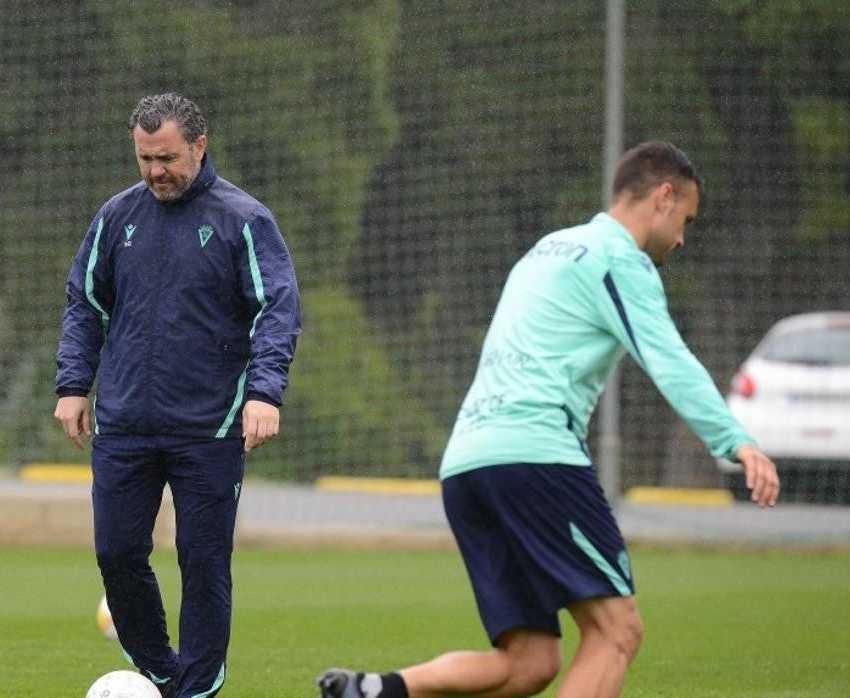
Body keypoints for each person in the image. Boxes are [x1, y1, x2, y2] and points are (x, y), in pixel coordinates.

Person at [317, 141, 780, 698]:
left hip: (467, 463)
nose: (682, 238)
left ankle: (374, 691)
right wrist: (737, 441)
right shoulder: (618, 258)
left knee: (529, 662)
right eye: (685, 219)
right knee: (618, 631)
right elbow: (670, 360)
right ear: (663, 197)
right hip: (535, 458)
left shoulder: (550, 248)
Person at [55, 93, 300, 698]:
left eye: (167, 157)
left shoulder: (244, 219)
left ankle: (196, 690)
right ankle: (162, 672)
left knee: (204, 563)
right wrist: (72, 385)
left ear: (199, 145)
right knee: (116, 555)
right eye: (145, 158)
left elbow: (277, 309)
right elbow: (84, 305)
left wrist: (264, 393)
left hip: (209, 429)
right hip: (124, 425)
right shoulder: (117, 217)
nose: (156, 170)